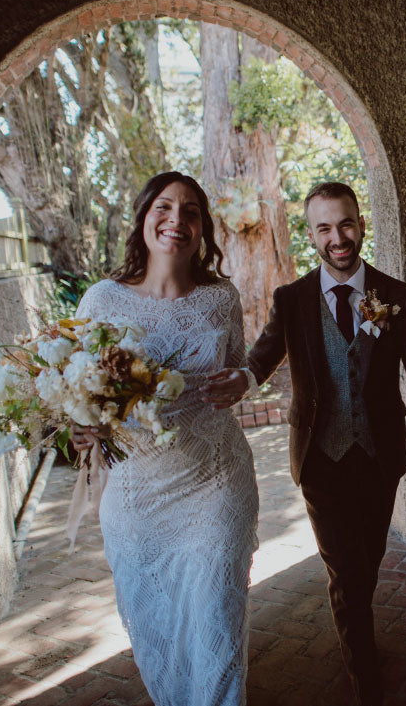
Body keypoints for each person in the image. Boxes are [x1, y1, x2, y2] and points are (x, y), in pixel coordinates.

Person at [201, 182, 406, 706]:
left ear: (360, 224)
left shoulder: (395, 296)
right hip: (320, 460)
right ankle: (366, 681)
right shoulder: (292, 300)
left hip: (381, 460)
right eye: (324, 228)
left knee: (368, 561)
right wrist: (242, 379)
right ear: (311, 234)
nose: (337, 237)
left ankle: (357, 637)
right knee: (345, 570)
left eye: (345, 224)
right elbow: (263, 356)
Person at [71, 172, 258, 706]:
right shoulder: (101, 301)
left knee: (218, 620)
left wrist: (235, 384)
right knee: (159, 631)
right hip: (137, 498)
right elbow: (75, 397)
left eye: (191, 211)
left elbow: (236, 369)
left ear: (202, 229)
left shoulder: (221, 300)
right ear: (144, 216)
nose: (177, 220)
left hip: (215, 484)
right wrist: (82, 430)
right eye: (165, 207)